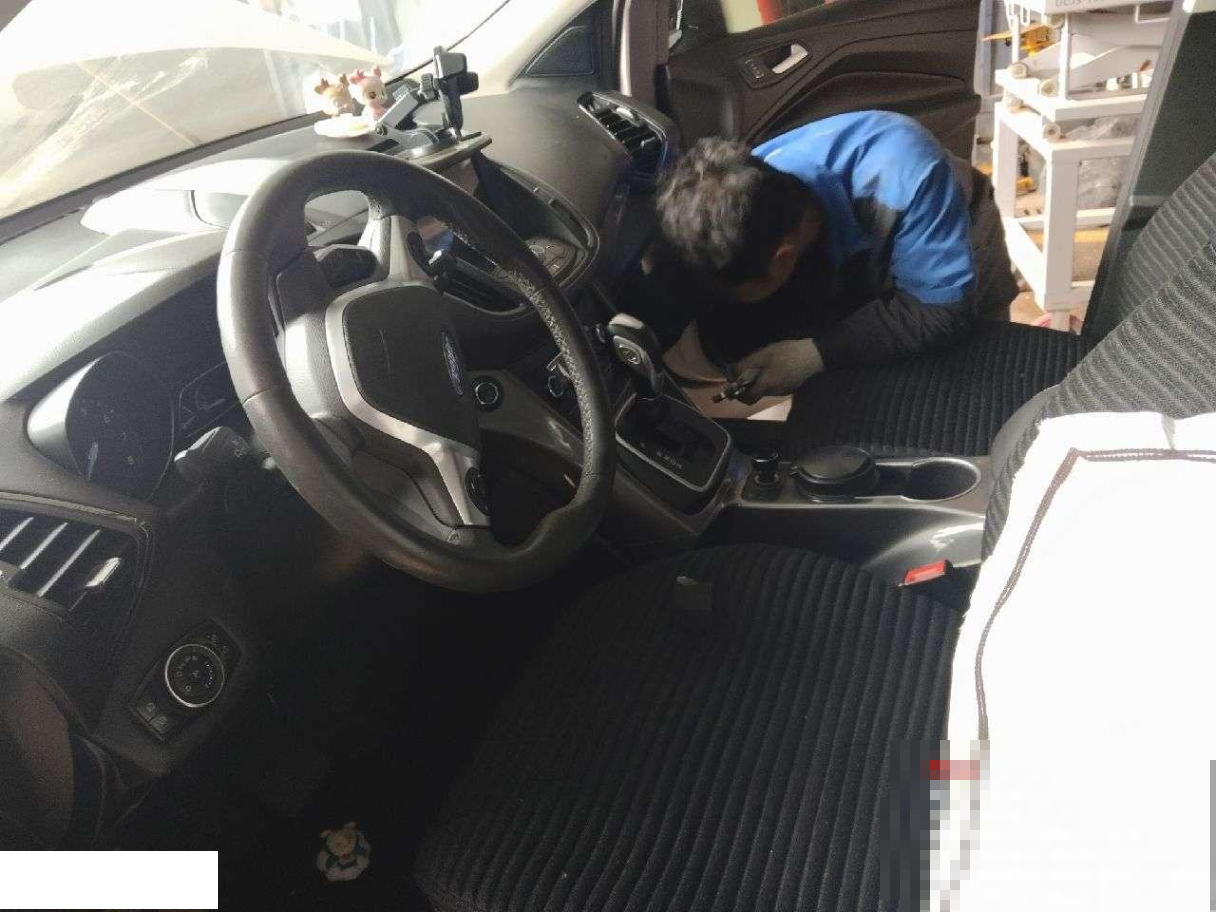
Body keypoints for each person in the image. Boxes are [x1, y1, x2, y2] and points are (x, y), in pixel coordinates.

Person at [636, 110, 1018, 405]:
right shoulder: (749, 188)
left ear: (782, 260)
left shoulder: (907, 179)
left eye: (734, 292)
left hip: (961, 235)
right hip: (861, 250)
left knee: (978, 377)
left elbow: (940, 314)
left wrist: (815, 355)